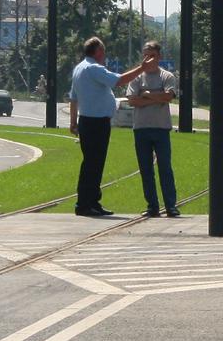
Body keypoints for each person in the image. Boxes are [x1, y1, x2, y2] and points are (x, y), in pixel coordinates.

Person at [68, 37, 150, 217]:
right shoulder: (94, 68)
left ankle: (91, 201)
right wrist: (142, 69)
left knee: (91, 162)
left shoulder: (79, 68)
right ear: (97, 52)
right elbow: (119, 80)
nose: (104, 55)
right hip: (96, 122)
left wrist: (73, 122)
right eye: (103, 51)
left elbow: (73, 98)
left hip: (86, 121)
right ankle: (85, 204)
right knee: (94, 163)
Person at [126, 41, 180, 217]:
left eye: (152, 56)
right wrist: (156, 98)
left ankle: (171, 206)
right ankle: (152, 206)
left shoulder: (167, 76)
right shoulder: (136, 77)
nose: (148, 59)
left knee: (165, 167)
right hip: (141, 128)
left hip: (161, 128)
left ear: (159, 57)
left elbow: (168, 96)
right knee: (146, 169)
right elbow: (132, 100)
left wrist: (147, 95)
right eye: (145, 55)